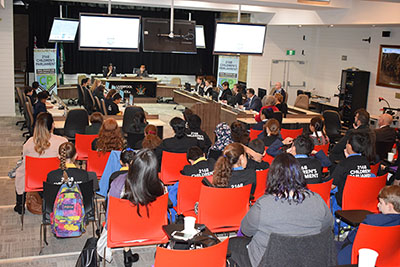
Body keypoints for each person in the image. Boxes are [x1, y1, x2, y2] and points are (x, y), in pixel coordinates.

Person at [227, 153, 333, 267]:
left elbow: (246, 230)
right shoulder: (317, 200)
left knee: (231, 244)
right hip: (309, 261)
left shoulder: (263, 205)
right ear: (299, 174)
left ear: (272, 176)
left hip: (268, 262)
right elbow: (328, 226)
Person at [104, 149, 164, 266]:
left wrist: (107, 227)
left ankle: (127, 253)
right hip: (152, 230)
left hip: (124, 231)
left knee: (125, 217)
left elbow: (111, 213)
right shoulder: (160, 186)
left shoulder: (118, 183)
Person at [14, 113, 68, 214]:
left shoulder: (29, 143)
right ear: (52, 125)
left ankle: (20, 204)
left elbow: (24, 163)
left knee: (20, 171)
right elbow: (67, 162)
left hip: (33, 181)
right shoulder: (62, 141)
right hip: (54, 180)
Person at [337, 185, 400, 265]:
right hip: (391, 257)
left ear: (390, 207)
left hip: (361, 257)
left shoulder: (372, 221)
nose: (378, 205)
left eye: (381, 203)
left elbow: (352, 237)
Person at [332, 132, 374, 208]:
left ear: (349, 146)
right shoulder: (366, 162)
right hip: (362, 199)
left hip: (344, 201)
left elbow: (332, 185)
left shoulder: (344, 163)